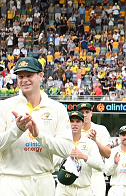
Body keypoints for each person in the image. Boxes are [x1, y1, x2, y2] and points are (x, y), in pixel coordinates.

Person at [0, 56, 73, 196]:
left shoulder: (57, 109)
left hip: (44, 180)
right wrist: (17, 130)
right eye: (20, 76)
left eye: (29, 75)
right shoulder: (4, 106)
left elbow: (65, 150)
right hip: (12, 180)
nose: (24, 80)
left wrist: (39, 136)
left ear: (40, 76)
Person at [55, 111, 104, 196]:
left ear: (82, 125)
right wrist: (65, 154)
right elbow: (52, 163)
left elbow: (100, 166)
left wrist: (84, 157)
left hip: (84, 189)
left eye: (78, 122)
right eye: (72, 121)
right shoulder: (61, 142)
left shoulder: (90, 143)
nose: (74, 124)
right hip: (63, 189)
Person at [77, 102, 112, 196]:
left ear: (91, 113)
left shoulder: (101, 129)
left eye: (87, 112)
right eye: (82, 112)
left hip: (96, 174)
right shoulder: (73, 131)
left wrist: (95, 141)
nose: (84, 115)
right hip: (80, 173)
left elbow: (108, 154)